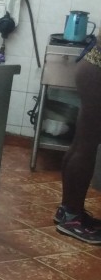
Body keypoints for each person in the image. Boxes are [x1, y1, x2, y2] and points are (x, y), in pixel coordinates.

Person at [54, 43, 101, 245]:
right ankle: (72, 218)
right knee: (85, 146)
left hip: (92, 71)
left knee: (81, 143)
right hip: (97, 76)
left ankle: (69, 211)